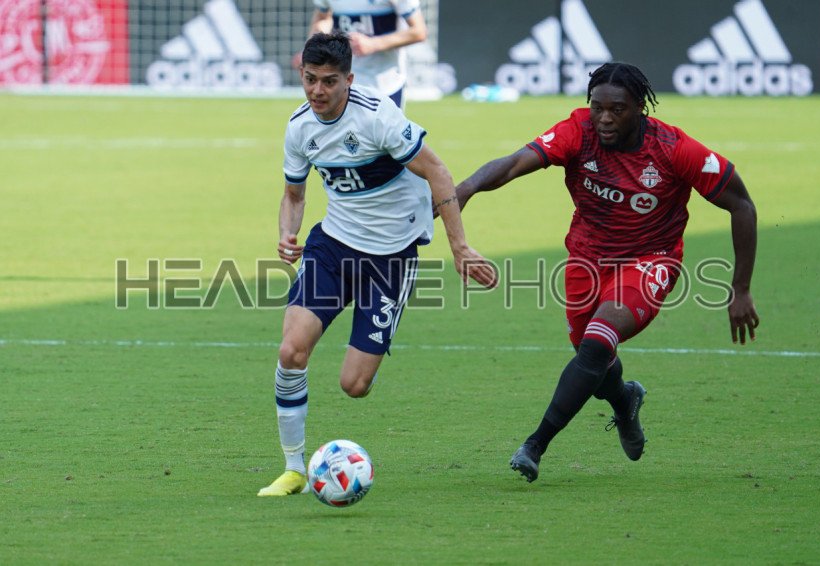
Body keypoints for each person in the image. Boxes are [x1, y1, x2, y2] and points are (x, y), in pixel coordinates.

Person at [452, 62, 760, 483]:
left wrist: (740, 288)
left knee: (597, 342)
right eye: (597, 107)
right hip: (586, 260)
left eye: (617, 109)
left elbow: (742, 205)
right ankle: (624, 400)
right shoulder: (577, 131)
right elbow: (513, 164)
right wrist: (466, 189)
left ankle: (535, 444)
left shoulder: (675, 149)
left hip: (651, 260)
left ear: (640, 107)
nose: (605, 118)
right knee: (592, 358)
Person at [258, 31, 497, 497]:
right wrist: (287, 232)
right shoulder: (299, 126)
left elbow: (438, 171)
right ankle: (293, 469)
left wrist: (460, 247)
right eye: (310, 79)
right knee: (291, 351)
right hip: (333, 248)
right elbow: (294, 195)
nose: (317, 91)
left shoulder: (378, 117)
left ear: (349, 79)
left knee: (355, 385)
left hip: (391, 258)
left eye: (329, 81)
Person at [293, 0, 428, 108]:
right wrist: (313, 46)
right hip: (342, 84)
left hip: (385, 84)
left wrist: (374, 44)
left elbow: (419, 31)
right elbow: (323, 18)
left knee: (385, 134)